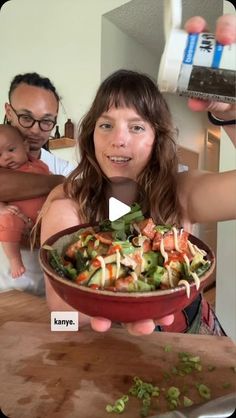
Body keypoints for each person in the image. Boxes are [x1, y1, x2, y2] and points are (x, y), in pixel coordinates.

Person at [40, 14, 236, 335]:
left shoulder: (182, 192)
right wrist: (121, 311)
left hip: (198, 338)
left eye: (136, 127)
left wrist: (231, 113)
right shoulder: (67, 209)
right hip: (114, 354)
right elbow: (59, 320)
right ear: (91, 135)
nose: (118, 138)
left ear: (156, 138)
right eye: (106, 125)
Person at [0, 72, 75, 295]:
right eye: (26, 117)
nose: (35, 129)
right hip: (3, 295)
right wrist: (56, 184)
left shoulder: (64, 168)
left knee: (66, 325)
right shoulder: (60, 176)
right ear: (8, 111)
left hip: (46, 296)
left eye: (46, 122)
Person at [0, 124, 52, 278]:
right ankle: (15, 259)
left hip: (43, 218)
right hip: (17, 216)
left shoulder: (39, 166)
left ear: (25, 146)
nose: (6, 157)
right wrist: (1, 208)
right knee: (7, 221)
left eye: (11, 150)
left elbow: (52, 187)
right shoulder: (3, 173)